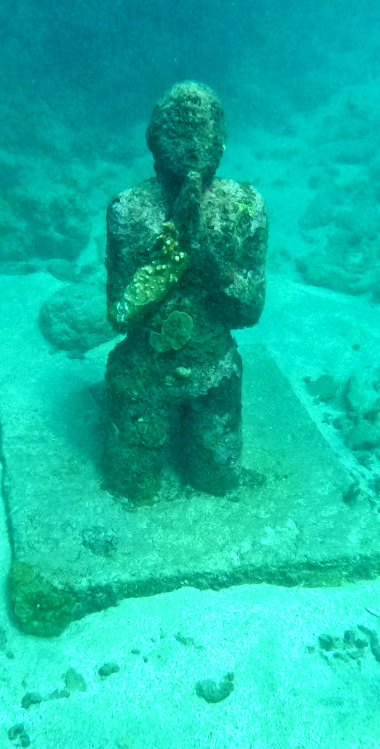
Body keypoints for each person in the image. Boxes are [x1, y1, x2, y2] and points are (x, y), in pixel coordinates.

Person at [103, 81, 267, 504]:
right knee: (133, 485)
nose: (194, 146)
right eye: (179, 132)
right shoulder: (130, 211)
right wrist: (168, 261)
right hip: (144, 371)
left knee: (217, 478)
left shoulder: (244, 207)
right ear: (155, 141)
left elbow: (250, 310)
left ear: (222, 140)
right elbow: (120, 314)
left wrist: (207, 256)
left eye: (205, 132)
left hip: (213, 368)